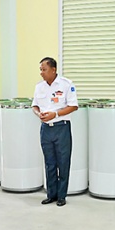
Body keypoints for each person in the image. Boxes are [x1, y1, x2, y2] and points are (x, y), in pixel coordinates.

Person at [31, 57, 78, 207]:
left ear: (53, 70)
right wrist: (38, 114)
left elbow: (73, 106)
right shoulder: (39, 87)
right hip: (45, 129)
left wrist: (55, 114)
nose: (41, 73)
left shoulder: (66, 84)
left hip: (61, 128)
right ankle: (51, 194)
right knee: (49, 163)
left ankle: (62, 196)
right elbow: (34, 105)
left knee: (63, 163)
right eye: (40, 70)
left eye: (44, 70)